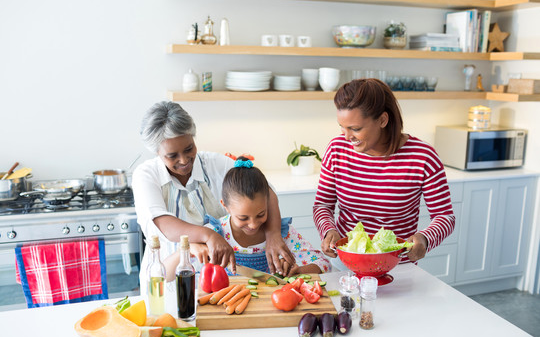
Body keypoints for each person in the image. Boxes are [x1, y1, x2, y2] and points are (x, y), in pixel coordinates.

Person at [132, 101, 295, 292]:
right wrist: (208, 235)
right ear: (157, 151)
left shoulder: (215, 164)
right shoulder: (146, 175)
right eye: (172, 155)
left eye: (188, 149)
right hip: (164, 278)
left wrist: (274, 233)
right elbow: (163, 223)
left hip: (214, 281)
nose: (184, 160)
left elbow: (264, 190)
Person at [313, 79, 455, 263]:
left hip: (397, 266)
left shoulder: (422, 157)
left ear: (382, 120)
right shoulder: (336, 149)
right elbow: (322, 205)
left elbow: (445, 216)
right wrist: (328, 230)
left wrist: (425, 238)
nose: (347, 137)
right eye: (342, 127)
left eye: (355, 129)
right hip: (346, 262)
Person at [203, 158, 330, 275]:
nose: (253, 225)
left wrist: (299, 272)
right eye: (243, 218)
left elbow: (324, 264)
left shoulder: (283, 233)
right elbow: (190, 268)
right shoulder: (215, 234)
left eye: (261, 214)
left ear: (268, 202)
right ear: (225, 206)